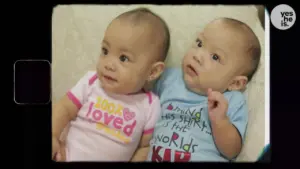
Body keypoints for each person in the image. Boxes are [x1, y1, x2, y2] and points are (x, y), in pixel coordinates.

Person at [52, 7, 170, 162]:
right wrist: (53, 135)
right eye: (105, 51)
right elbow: (64, 108)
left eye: (123, 58)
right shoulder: (91, 82)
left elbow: (145, 147)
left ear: (152, 72)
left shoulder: (149, 105)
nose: (108, 64)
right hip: (65, 155)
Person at [147, 17, 261, 162]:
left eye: (215, 57)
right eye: (199, 43)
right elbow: (144, 106)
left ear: (235, 83)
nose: (197, 55)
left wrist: (220, 121)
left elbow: (232, 152)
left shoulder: (231, 100)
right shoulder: (168, 78)